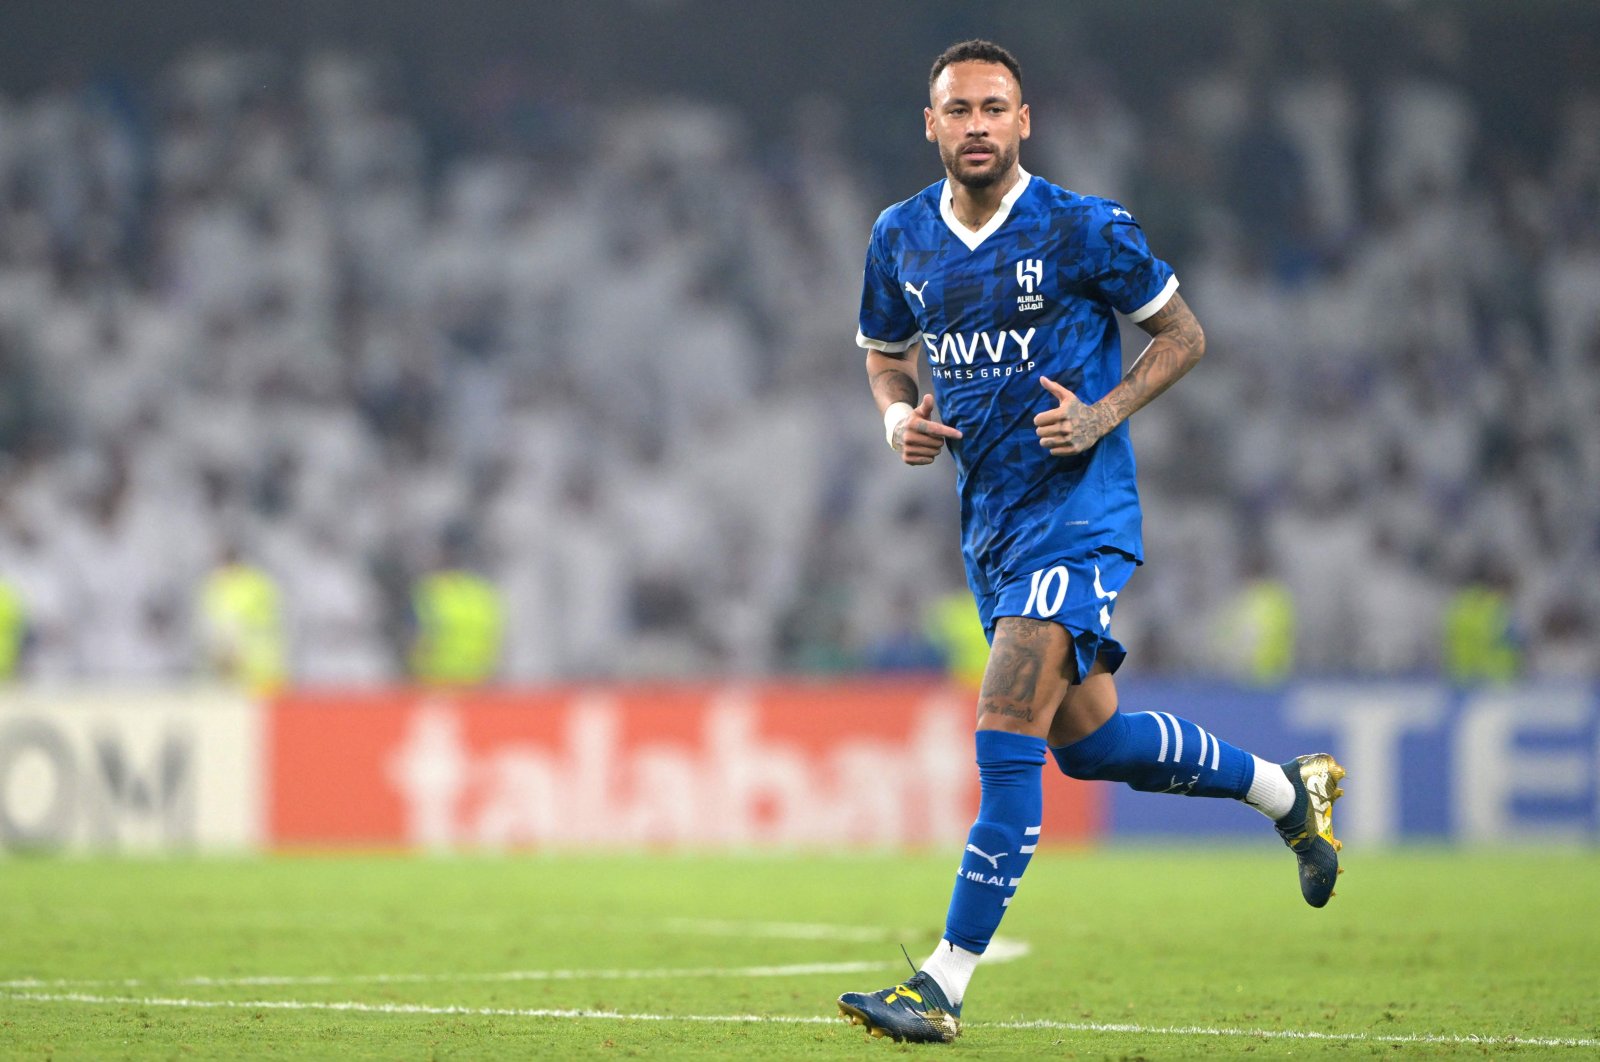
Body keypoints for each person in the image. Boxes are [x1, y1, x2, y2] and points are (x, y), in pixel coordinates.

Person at [836, 40, 1346, 1045]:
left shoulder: (1082, 227)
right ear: (930, 126)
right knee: (1091, 743)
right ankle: (1293, 794)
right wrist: (897, 421)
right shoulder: (898, 237)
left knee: (1005, 727)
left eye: (994, 108)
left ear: (1024, 121)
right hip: (990, 524)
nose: (976, 124)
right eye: (958, 110)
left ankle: (941, 985)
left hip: (1080, 514)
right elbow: (885, 359)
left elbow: (1183, 335)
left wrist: (1104, 412)